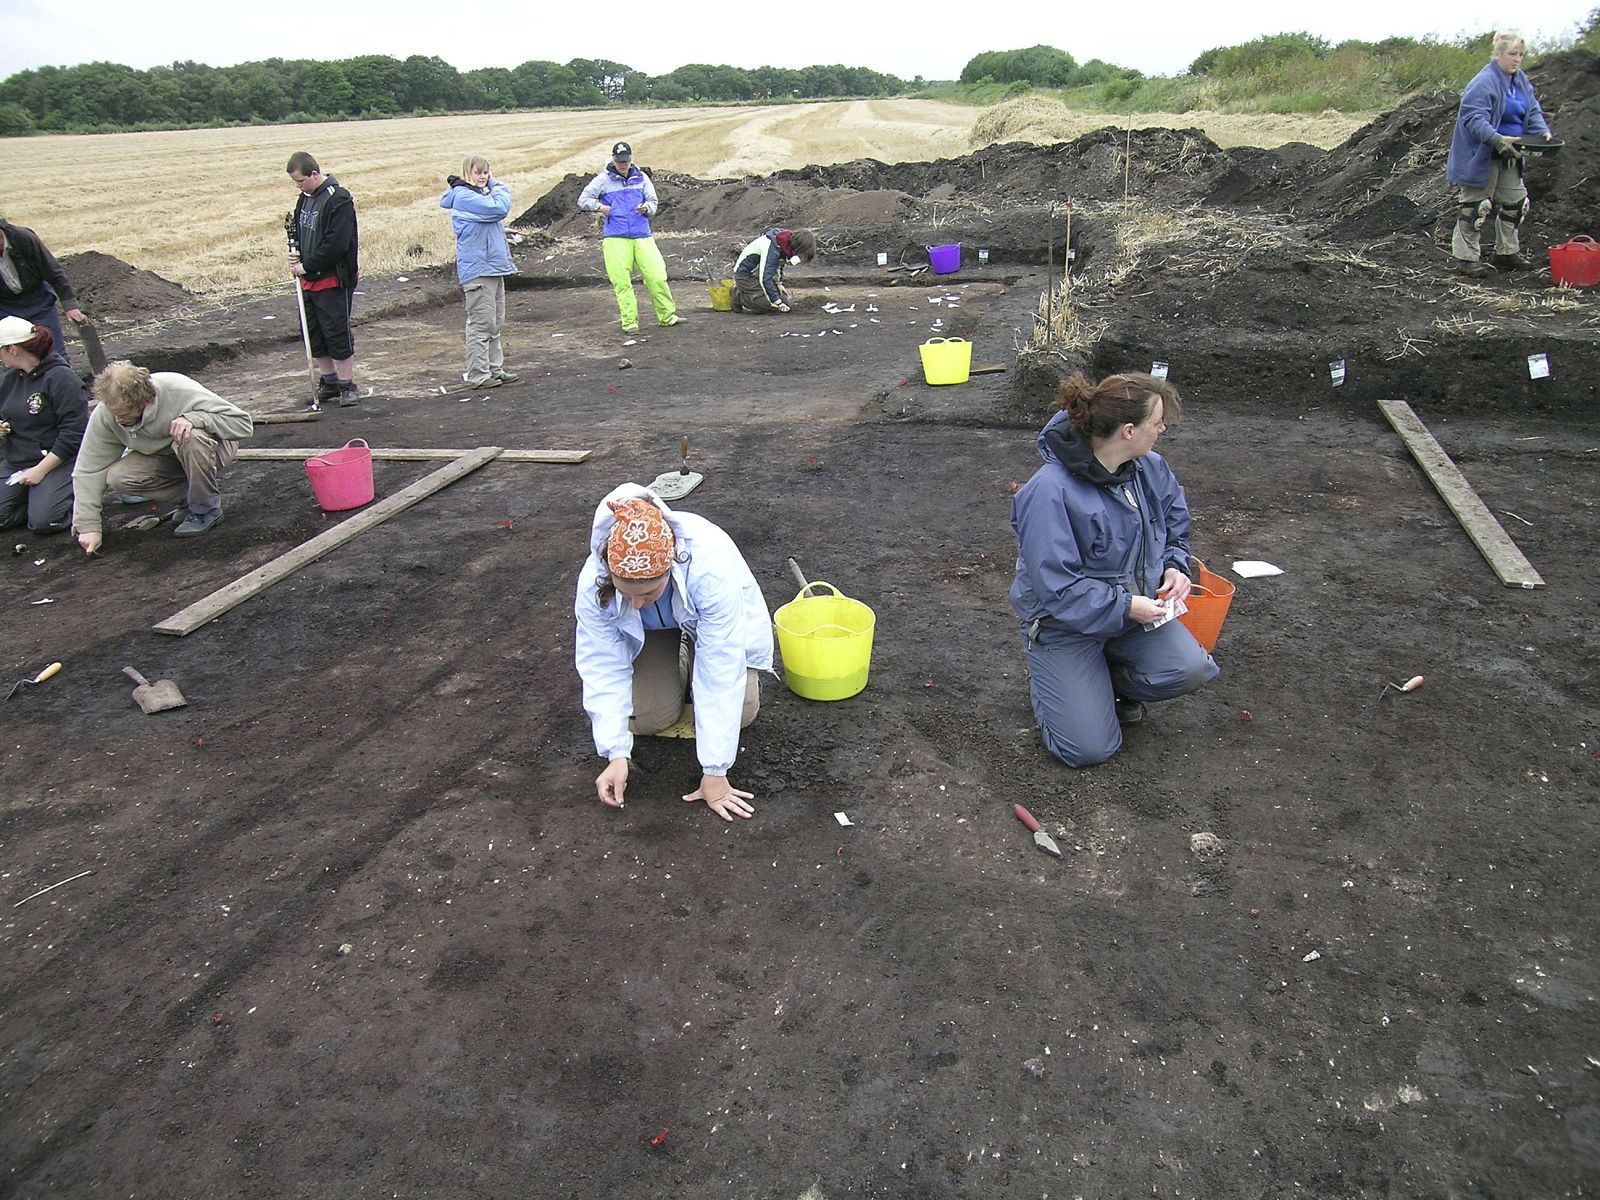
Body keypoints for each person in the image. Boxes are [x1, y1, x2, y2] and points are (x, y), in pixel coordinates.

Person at [1009, 372, 1219, 768]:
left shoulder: (1149, 468)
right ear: (1128, 431)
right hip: (1064, 624)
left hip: (1130, 614)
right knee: (1088, 749)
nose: (1162, 429)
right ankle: (1055, 687)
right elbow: (1058, 587)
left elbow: (1175, 523)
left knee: (1191, 669)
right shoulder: (1049, 492)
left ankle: (1099, 686)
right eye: (1156, 422)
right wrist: (1127, 606)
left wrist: (1175, 567)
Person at [575, 484, 773, 821]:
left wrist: (715, 772)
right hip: (651, 633)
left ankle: (690, 645)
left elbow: (721, 668)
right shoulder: (594, 584)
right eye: (627, 594)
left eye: (649, 592)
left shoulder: (709, 567)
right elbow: (602, 664)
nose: (635, 604)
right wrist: (616, 753)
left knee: (742, 712)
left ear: (670, 566)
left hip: (709, 623)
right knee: (647, 718)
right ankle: (680, 657)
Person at [71, 361, 254, 552]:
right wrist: (89, 526)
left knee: (190, 438)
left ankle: (205, 509)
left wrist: (194, 419)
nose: (118, 420)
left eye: (124, 414)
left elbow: (242, 424)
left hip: (212, 447)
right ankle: (189, 500)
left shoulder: (178, 389)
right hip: (165, 455)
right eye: (114, 413)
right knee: (119, 476)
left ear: (144, 401)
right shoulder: (108, 413)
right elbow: (88, 469)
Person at [1446, 31, 1553, 278]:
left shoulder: (1520, 80)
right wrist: (1497, 138)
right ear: (1499, 54)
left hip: (1512, 153)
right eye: (1512, 54)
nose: (1517, 60)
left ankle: (1506, 253)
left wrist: (1542, 131)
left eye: (1521, 55)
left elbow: (1532, 110)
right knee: (1477, 207)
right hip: (1482, 154)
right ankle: (1466, 258)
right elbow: (1473, 118)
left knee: (1517, 204)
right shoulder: (1484, 82)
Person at [576, 142, 683, 335]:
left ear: (631, 159)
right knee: (622, 282)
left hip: (642, 235)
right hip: (615, 238)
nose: (623, 164)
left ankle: (668, 317)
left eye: (625, 161)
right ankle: (629, 322)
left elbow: (653, 202)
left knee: (657, 276)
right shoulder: (602, 180)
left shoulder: (642, 178)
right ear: (613, 160)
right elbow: (583, 200)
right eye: (619, 161)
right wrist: (602, 208)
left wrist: (647, 209)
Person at [286, 152, 361, 406]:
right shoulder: (304, 200)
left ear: (314, 174)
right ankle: (328, 382)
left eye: (301, 181)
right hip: (307, 280)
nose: (299, 186)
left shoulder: (338, 199)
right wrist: (297, 257)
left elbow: (336, 243)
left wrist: (308, 265)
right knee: (314, 332)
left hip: (333, 279)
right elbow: (298, 230)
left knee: (336, 331)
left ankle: (347, 385)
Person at [439, 155, 520, 389]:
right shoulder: (465, 197)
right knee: (481, 324)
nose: (483, 177)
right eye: (478, 172)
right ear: (467, 174)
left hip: (493, 266)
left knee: (495, 323)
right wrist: (496, 184)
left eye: (486, 172)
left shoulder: (479, 195)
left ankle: (495, 369)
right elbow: (500, 208)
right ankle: (478, 375)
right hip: (478, 269)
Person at [0, 316, 87, 533]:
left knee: (45, 522)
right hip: (17, 460)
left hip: (57, 460)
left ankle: (73, 498)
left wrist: (40, 470)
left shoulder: (61, 379)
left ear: (12, 349)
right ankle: (35, 502)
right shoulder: (10, 379)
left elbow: (74, 434)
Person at [0, 218, 88, 360]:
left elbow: (54, 272)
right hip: (5, 308)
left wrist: (70, 307)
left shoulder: (24, 238)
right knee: (13, 360)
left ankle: (60, 381)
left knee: (55, 356)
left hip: (38, 302)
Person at [732, 228, 817, 314]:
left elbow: (778, 264)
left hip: (758, 275)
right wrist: (777, 302)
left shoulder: (785, 244)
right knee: (766, 305)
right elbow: (765, 278)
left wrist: (778, 283)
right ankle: (737, 295)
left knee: (784, 301)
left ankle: (753, 295)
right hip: (745, 276)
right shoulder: (771, 248)